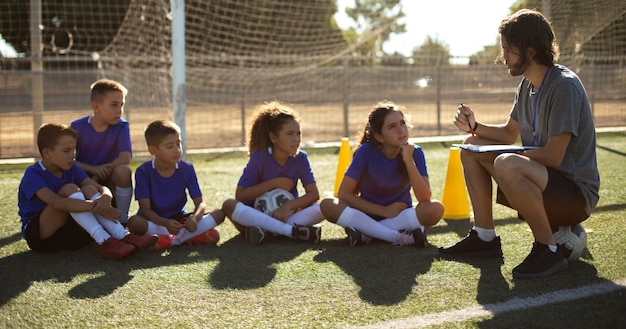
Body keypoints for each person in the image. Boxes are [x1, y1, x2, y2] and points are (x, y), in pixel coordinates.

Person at [439, 9, 600, 279]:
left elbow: (554, 156)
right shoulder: (526, 86)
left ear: (532, 52)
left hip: (575, 196)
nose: (504, 58)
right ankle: (485, 237)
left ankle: (548, 250)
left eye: (509, 51)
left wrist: (507, 158)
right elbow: (507, 134)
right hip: (544, 182)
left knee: (506, 161)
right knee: (470, 147)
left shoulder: (564, 86)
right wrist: (475, 128)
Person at [18, 123, 157, 259]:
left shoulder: (72, 168)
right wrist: (95, 206)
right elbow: (57, 203)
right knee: (70, 189)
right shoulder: (34, 174)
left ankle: (124, 236)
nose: (72, 155)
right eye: (66, 151)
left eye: (74, 150)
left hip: (68, 233)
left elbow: (98, 187)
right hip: (41, 237)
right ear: (47, 153)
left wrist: (105, 197)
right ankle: (105, 241)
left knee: (89, 188)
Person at [320, 101, 444, 247]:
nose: (401, 130)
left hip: (399, 216)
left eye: (402, 123)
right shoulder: (366, 151)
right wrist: (383, 211)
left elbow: (425, 198)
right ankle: (394, 236)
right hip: (366, 214)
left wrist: (409, 161)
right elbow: (344, 194)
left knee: (436, 208)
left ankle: (367, 234)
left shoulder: (415, 152)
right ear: (379, 136)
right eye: (392, 127)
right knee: (327, 204)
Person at [221, 101, 324, 245]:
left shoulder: (301, 158)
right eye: (290, 134)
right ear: (273, 138)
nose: (296, 139)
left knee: (325, 205)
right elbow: (241, 195)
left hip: (286, 215)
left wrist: (287, 207)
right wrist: (273, 183)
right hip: (257, 216)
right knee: (228, 205)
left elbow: (313, 194)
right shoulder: (259, 158)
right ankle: (291, 231)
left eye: (298, 134)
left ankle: (268, 232)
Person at [127, 120, 224, 249]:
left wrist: (194, 220)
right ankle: (185, 238)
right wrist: (165, 222)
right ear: (153, 150)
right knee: (134, 223)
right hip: (156, 222)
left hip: (179, 221)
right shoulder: (143, 172)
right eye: (169, 146)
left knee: (219, 213)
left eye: (178, 144)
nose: (177, 150)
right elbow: (145, 210)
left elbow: (200, 203)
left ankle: (167, 241)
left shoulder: (187, 168)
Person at [71, 79, 134, 224]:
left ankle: (122, 219)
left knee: (124, 171)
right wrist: (94, 170)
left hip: (108, 177)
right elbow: (69, 160)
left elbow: (125, 157)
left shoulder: (122, 126)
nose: (119, 110)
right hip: (85, 178)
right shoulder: (77, 127)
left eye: (121, 105)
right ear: (96, 107)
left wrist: (103, 171)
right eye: (114, 105)